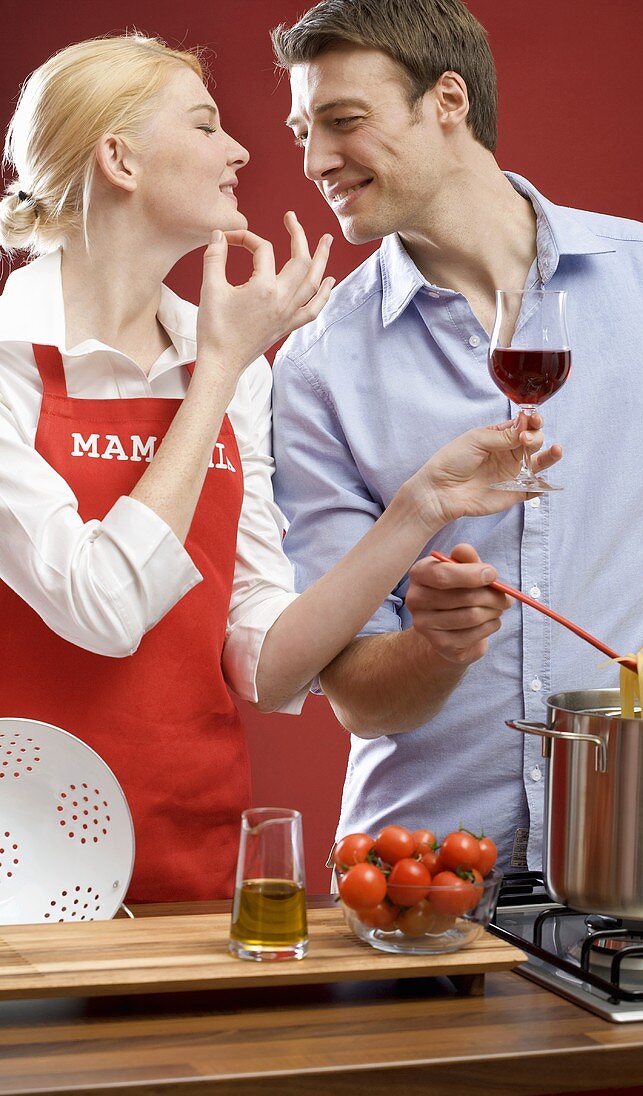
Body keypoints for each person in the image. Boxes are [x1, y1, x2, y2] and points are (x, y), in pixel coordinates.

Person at [0, 34, 560, 903]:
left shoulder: (230, 363)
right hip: (22, 860)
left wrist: (418, 507)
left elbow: (264, 659)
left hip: (191, 844)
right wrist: (218, 369)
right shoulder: (14, 364)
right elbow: (101, 608)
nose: (242, 150)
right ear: (119, 157)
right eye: (205, 123)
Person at [270, 0, 643, 871]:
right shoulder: (316, 367)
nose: (314, 160)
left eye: (342, 122)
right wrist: (432, 644)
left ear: (447, 101)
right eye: (303, 130)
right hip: (421, 873)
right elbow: (361, 699)